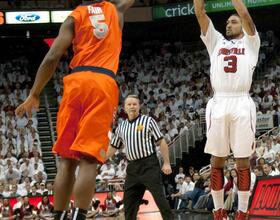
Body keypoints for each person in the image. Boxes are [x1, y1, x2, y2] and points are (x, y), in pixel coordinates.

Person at [15, 0, 134, 219]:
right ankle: (79, 216)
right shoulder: (114, 9)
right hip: (102, 83)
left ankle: (59, 215)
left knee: (66, 160)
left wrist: (34, 93)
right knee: (88, 160)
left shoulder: (74, 16)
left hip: (76, 82)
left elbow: (52, 56)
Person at [193, 0, 260, 219]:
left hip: (241, 101)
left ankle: (242, 211)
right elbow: (199, 12)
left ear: (242, 25)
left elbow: (247, 16)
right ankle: (218, 209)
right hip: (219, 101)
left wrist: (237, 3)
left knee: (242, 161)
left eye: (233, 22)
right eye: (227, 22)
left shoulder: (252, 42)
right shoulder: (216, 41)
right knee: (217, 160)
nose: (228, 25)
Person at [106, 94, 173, 220]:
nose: (132, 106)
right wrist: (99, 158)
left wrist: (167, 163)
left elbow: (161, 142)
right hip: (132, 168)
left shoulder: (148, 121)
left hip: (149, 165)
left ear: (139, 106)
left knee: (160, 200)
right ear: (124, 108)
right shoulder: (121, 127)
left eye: (134, 104)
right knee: (129, 205)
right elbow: (113, 147)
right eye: (129, 104)